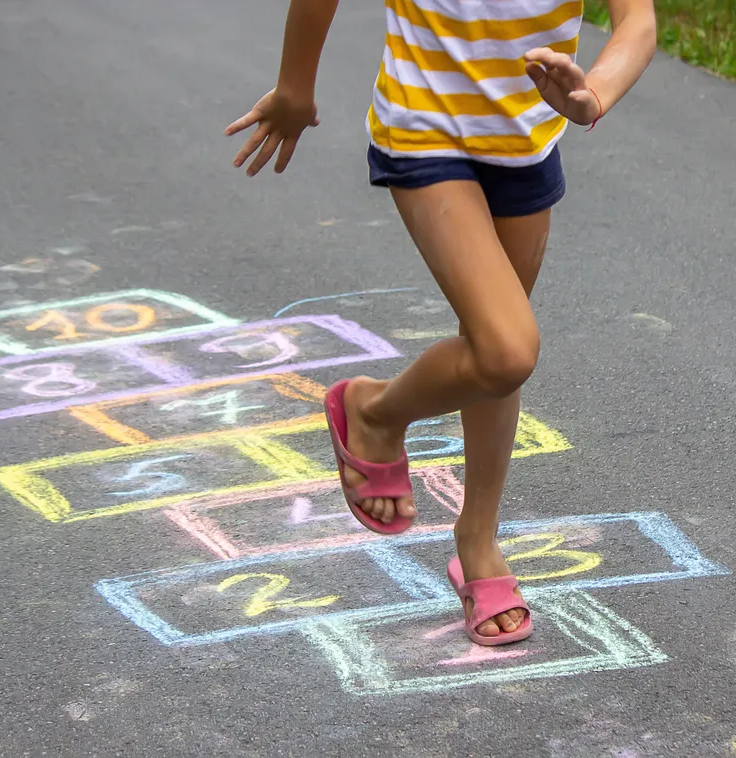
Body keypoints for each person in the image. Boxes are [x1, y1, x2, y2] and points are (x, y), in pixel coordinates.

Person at [227, 0, 657, 645]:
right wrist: (294, 87)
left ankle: (476, 540)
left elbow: (638, 22)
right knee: (507, 350)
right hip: (426, 129)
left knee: (491, 349)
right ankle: (376, 412)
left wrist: (592, 95)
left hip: (525, 138)